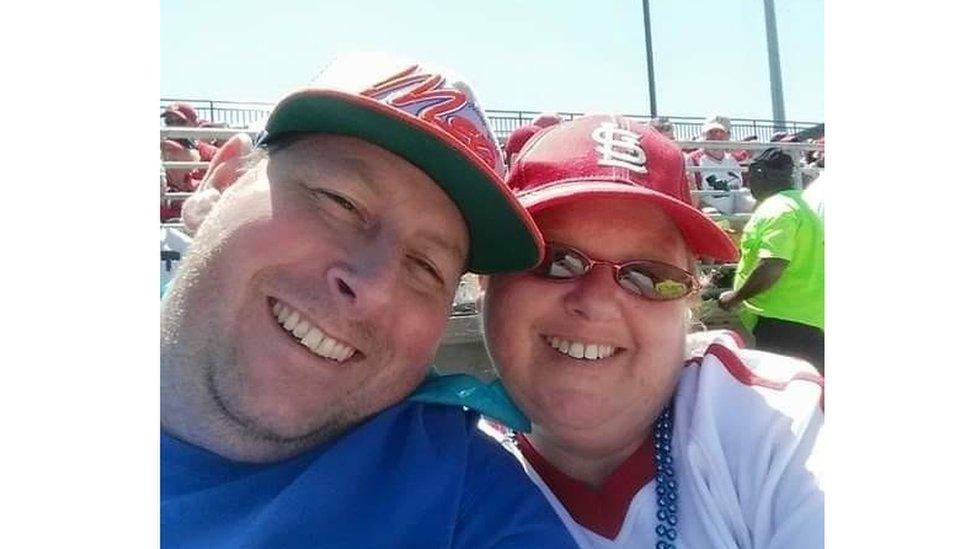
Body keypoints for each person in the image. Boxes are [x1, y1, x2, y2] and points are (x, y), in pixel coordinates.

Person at [160, 53, 575, 548]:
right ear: (220, 182)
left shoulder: (468, 505)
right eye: (340, 202)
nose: (374, 288)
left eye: (427, 267)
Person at [476, 115, 824, 548]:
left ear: (688, 304)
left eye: (648, 276)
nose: (598, 303)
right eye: (554, 261)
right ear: (486, 280)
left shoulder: (769, 423)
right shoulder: (430, 468)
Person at [718, 148, 825, 374]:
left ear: (760, 172)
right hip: (809, 317)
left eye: (751, 175)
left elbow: (773, 265)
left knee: (786, 395)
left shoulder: (777, 209)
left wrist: (735, 298)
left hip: (783, 322)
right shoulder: (804, 208)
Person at [686, 115, 754, 216]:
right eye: (711, 132)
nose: (716, 136)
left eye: (720, 132)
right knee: (713, 214)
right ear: (704, 135)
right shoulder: (693, 159)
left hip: (735, 210)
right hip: (709, 212)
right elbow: (694, 198)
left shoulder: (734, 159)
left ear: (727, 136)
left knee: (749, 199)